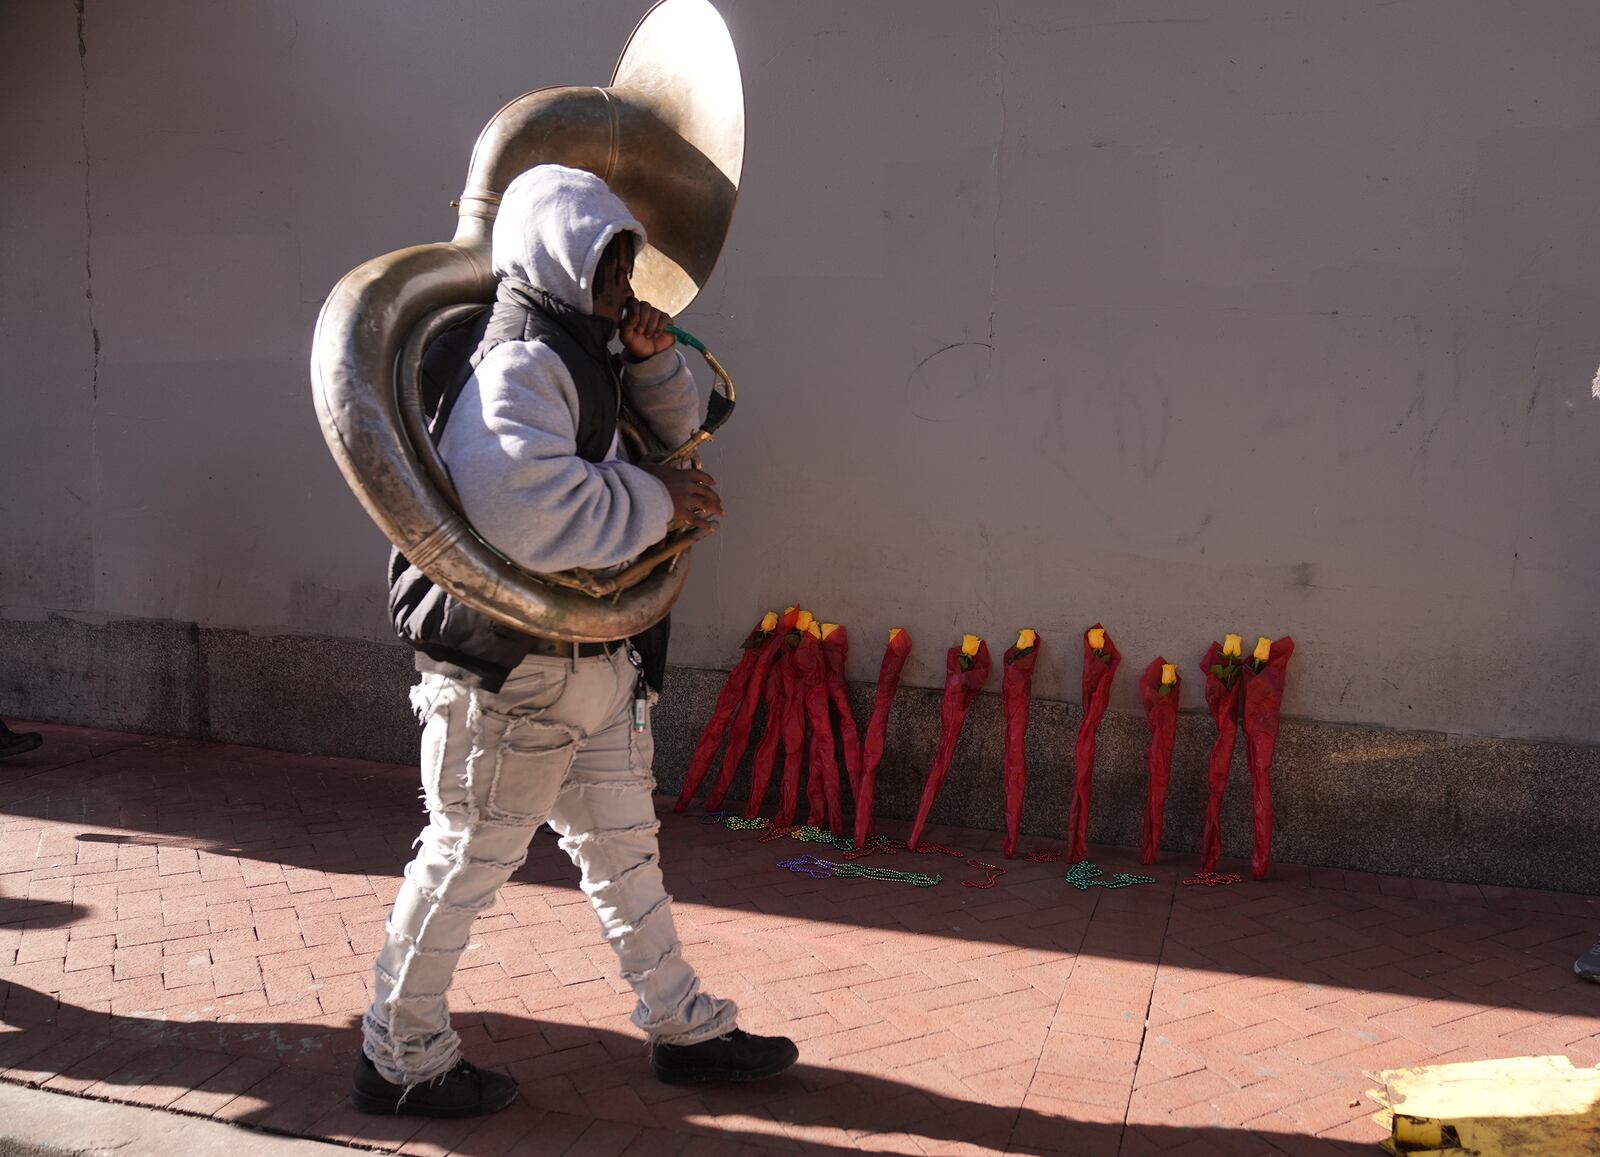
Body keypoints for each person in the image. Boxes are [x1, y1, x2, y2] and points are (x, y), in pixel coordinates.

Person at [353, 164, 796, 1118]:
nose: (620, 288)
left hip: (583, 665)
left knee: (626, 853)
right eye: (606, 267)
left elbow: (672, 436)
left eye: (623, 266)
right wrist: (659, 503)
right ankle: (399, 1055)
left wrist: (650, 361)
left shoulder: (583, 347)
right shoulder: (519, 359)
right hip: (513, 671)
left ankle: (685, 1027)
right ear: (561, 258)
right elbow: (527, 512)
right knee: (467, 858)